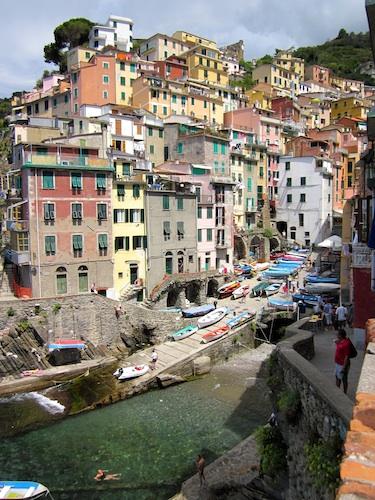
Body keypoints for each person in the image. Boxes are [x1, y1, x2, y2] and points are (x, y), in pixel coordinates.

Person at [334, 329, 351, 394]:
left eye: (337, 334)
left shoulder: (346, 344)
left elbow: (346, 356)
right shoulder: (339, 341)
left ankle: (344, 393)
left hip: (342, 364)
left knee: (344, 379)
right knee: (337, 377)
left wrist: (344, 368)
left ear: (340, 335)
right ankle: (337, 391)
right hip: (337, 363)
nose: (336, 335)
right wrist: (337, 343)